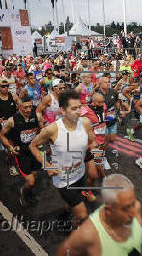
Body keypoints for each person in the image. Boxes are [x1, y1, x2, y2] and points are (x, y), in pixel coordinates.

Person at [29, 90, 95, 229]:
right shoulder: (52, 129)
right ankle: (73, 234)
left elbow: (91, 141)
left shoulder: (86, 123)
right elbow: (33, 146)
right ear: (63, 110)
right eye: (74, 108)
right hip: (63, 179)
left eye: (80, 107)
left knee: (72, 204)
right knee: (82, 215)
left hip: (80, 174)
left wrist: (93, 150)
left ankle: (64, 215)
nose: (79, 111)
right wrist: (47, 165)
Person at [57, 174, 142, 256]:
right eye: (125, 208)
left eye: (133, 203)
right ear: (109, 210)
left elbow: (140, 220)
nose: (133, 212)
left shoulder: (135, 207)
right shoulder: (88, 234)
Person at [0, 95, 43, 207]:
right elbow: (2, 135)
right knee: (31, 181)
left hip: (35, 151)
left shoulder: (37, 116)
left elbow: (42, 130)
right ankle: (23, 192)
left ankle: (29, 191)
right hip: (22, 154)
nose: (28, 110)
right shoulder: (12, 121)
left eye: (30, 107)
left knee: (35, 175)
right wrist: (10, 148)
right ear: (19, 107)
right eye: (25, 107)